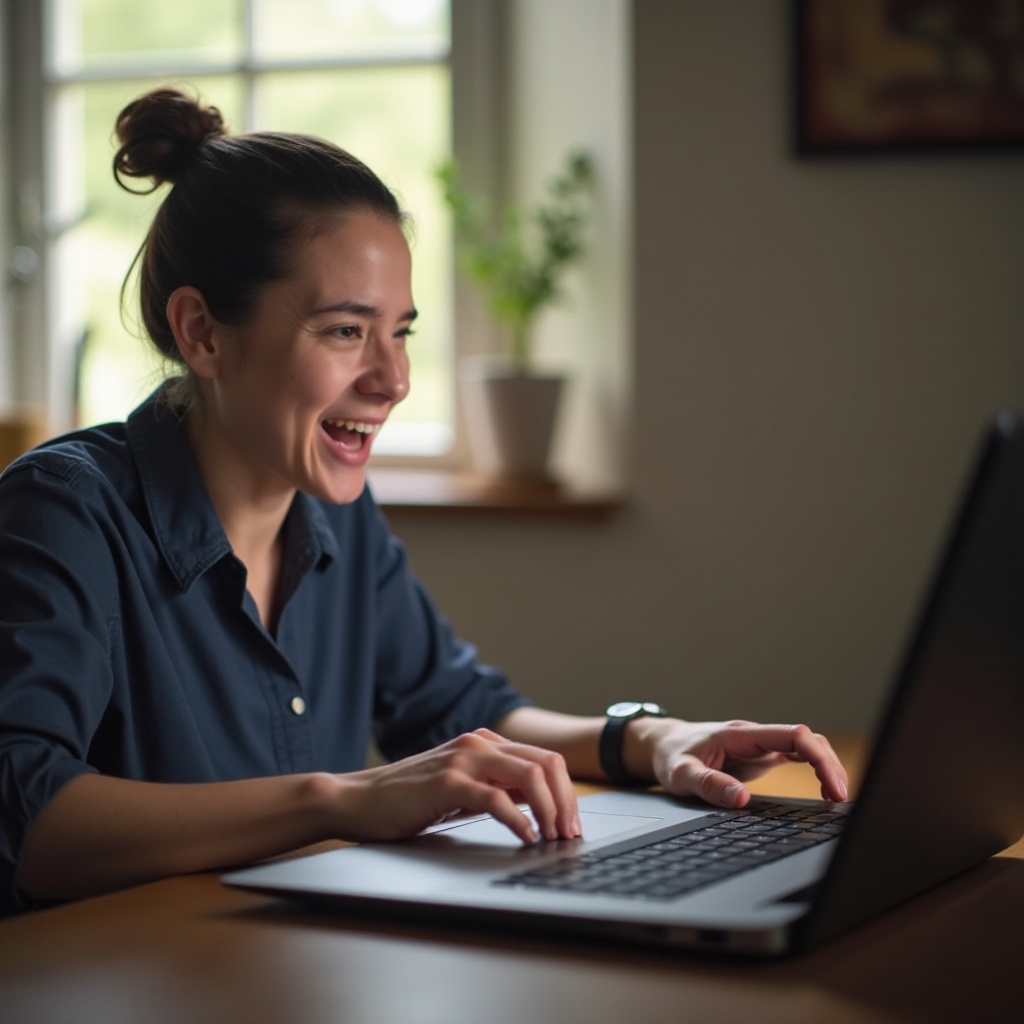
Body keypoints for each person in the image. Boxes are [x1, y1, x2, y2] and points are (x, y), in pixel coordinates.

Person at [0, 87, 848, 918]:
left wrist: (651, 740)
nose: (394, 379)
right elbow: (25, 814)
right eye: (344, 330)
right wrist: (340, 799)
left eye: (400, 331)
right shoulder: (62, 513)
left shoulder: (334, 511)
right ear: (202, 333)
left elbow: (459, 714)